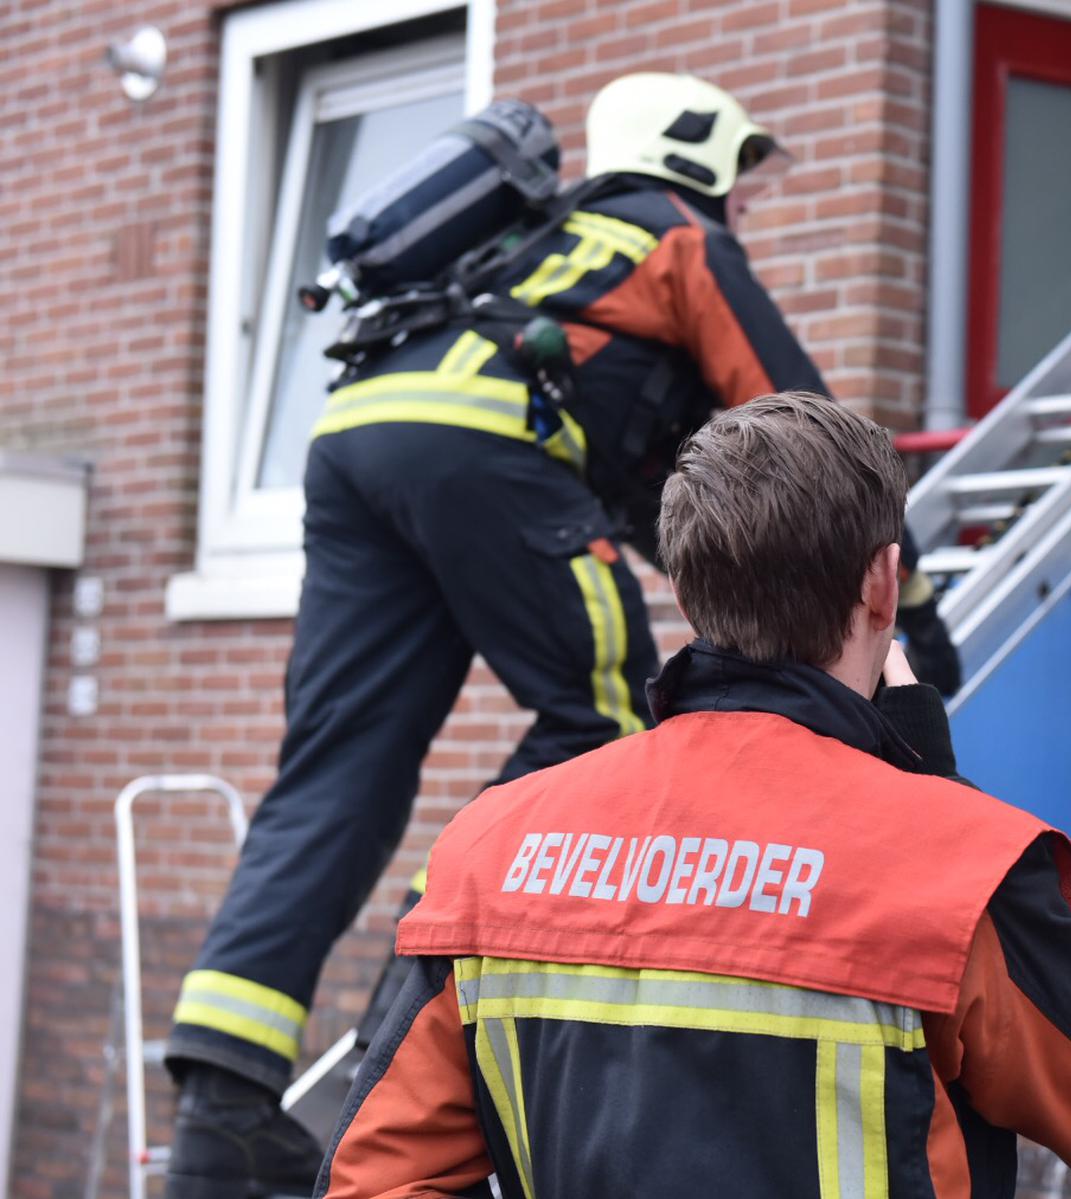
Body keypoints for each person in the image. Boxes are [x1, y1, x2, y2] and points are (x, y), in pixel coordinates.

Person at [163, 75, 957, 1197]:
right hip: (483, 446)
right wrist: (908, 608)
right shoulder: (676, 234)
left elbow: (641, 471)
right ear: (704, 158)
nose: (745, 207)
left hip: (356, 437)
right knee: (613, 716)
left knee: (340, 760)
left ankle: (221, 1108)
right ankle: (415, 1031)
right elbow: (803, 421)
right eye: (742, 181)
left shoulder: (532, 246)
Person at [310, 391, 1071, 1198]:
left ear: (690, 582)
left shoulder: (488, 849)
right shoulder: (955, 872)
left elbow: (371, 1181)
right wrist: (927, 784)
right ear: (883, 582)